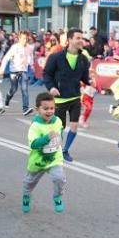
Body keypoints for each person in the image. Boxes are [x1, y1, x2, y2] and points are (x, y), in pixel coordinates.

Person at [42, 28, 91, 162]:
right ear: (69, 40)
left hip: (75, 97)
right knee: (60, 128)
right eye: (78, 38)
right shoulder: (56, 57)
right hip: (60, 99)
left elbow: (85, 77)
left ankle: (64, 150)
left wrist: (90, 81)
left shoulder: (83, 59)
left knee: (74, 126)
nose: (81, 40)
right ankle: (55, 148)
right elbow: (46, 74)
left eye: (82, 38)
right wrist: (51, 87)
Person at [22, 92, 66, 213]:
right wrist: (47, 138)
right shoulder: (35, 126)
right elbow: (33, 144)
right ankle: (26, 196)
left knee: (59, 178)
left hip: (54, 158)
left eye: (52, 108)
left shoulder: (57, 121)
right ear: (38, 110)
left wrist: (61, 140)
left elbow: (60, 131)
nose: (49, 111)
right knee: (29, 182)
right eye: (45, 108)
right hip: (38, 161)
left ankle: (57, 196)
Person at [3, 31, 34, 115]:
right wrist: (2, 69)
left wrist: (32, 66)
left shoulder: (29, 48)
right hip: (14, 71)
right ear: (19, 38)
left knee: (24, 90)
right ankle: (8, 98)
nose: (25, 40)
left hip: (23, 70)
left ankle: (25, 109)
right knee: (14, 89)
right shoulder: (14, 47)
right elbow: (6, 58)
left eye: (26, 38)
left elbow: (31, 58)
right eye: (23, 38)